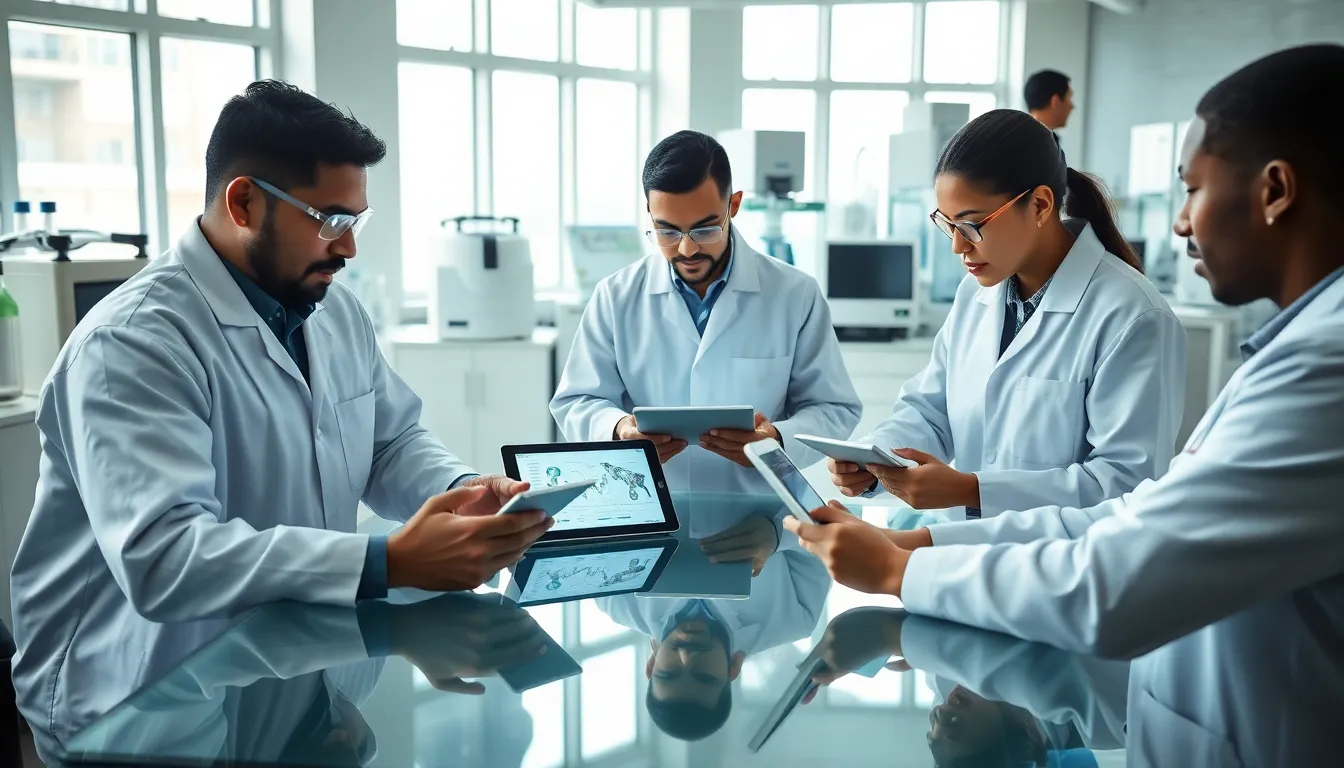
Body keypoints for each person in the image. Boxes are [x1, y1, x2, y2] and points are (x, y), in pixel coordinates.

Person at [788, 45, 1344, 767]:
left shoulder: (1301, 361)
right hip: (1023, 615)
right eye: (945, 223)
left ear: (1273, 190)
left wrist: (906, 564)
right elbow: (1129, 522)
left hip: (1134, 666)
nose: (1179, 224)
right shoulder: (1302, 349)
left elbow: (1118, 550)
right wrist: (912, 531)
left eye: (1193, 189)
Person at [9, 80, 554, 744]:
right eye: (330, 220)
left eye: (356, 221)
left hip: (288, 667)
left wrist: (458, 489)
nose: (349, 248)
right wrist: (388, 562)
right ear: (243, 202)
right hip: (138, 701)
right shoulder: (133, 342)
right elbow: (165, 557)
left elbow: (391, 441)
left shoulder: (334, 311)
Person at [827, 109, 1186, 519]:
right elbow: (931, 411)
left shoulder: (1132, 315)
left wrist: (972, 490)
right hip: (963, 555)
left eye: (973, 226)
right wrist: (878, 459)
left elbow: (1128, 485)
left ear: (1038, 204)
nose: (958, 248)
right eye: (948, 226)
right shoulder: (975, 295)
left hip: (1062, 569)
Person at [551, 130, 861, 493]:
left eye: (704, 229)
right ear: (649, 214)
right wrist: (619, 430)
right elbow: (577, 400)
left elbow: (832, 407)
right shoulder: (615, 296)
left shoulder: (795, 294)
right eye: (666, 231)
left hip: (761, 510)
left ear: (734, 205)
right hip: (651, 500)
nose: (686, 249)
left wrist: (776, 438)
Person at [598, 527, 830, 742]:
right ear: (733, 669)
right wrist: (777, 532)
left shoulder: (616, 599)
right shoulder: (795, 617)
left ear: (651, 665)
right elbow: (827, 533)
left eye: (669, 673)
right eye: (704, 675)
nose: (687, 656)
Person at [1024, 69, 1074, 161]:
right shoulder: (1040, 145)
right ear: (1056, 101)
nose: (1072, 106)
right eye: (1069, 98)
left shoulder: (1020, 136)